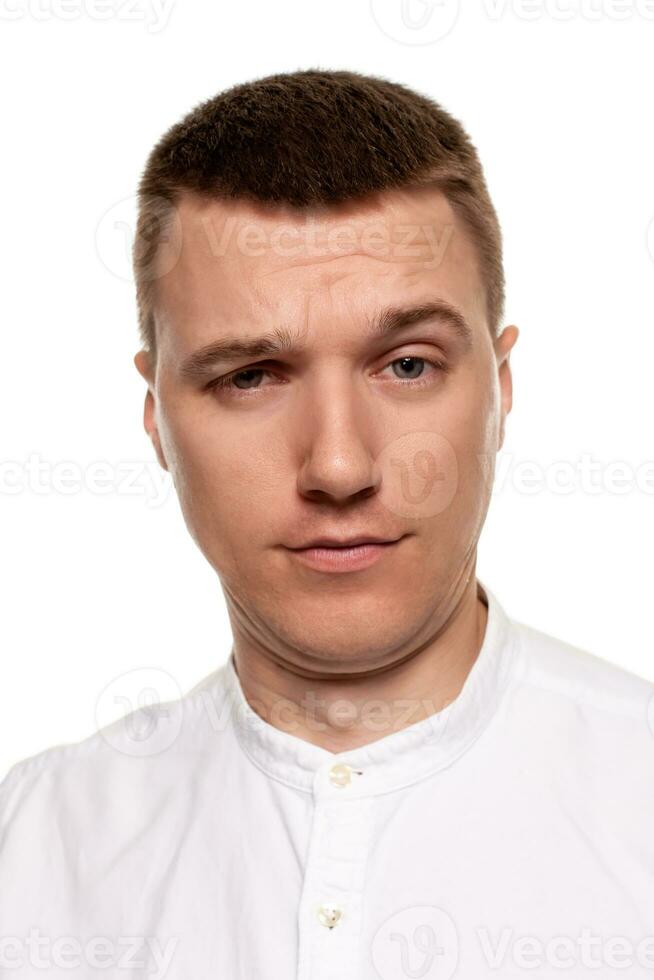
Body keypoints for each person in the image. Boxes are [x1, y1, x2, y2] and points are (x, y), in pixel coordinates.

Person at [1, 68, 653, 980]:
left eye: (409, 366)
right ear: (156, 418)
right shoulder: (28, 853)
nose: (339, 466)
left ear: (501, 390)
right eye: (252, 376)